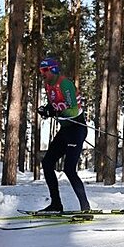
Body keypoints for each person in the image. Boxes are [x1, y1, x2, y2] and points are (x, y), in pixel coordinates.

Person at [36, 57, 90, 212]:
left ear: (53, 69)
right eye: (41, 70)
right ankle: (56, 204)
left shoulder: (64, 83)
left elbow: (74, 109)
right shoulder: (48, 86)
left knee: (69, 169)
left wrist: (56, 111)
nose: (42, 73)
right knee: (47, 163)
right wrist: (46, 110)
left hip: (76, 129)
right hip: (65, 130)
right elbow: (54, 106)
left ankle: (85, 208)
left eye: (45, 70)